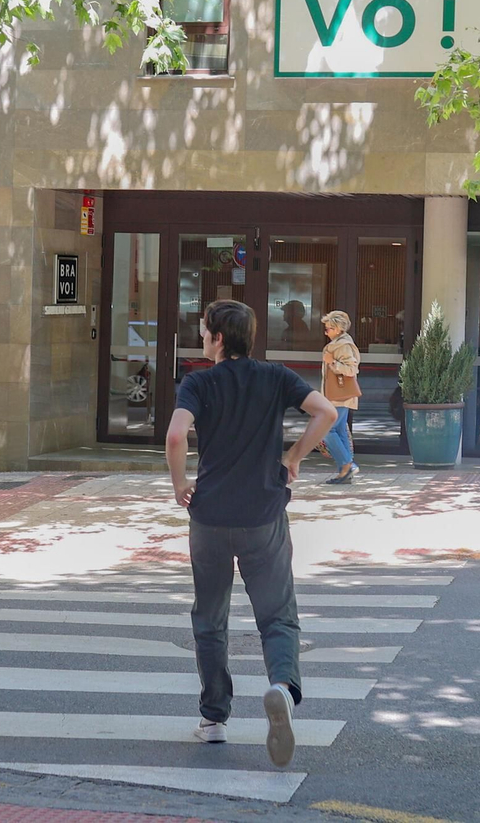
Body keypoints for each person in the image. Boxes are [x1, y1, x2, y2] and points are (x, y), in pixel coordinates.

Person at [165, 298, 337, 768]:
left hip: (210, 519)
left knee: (210, 618)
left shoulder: (198, 382)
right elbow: (326, 413)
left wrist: (181, 484)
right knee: (278, 615)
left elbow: (177, 436)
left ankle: (214, 718)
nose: (203, 337)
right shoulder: (275, 376)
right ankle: (281, 687)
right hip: (264, 516)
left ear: (218, 338)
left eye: (205, 331)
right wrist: (294, 456)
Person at [319, 310, 362, 484]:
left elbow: (352, 369)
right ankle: (345, 472)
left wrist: (332, 362)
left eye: (328, 328)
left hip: (339, 397)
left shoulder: (342, 345)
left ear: (337, 329)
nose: (326, 332)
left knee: (327, 430)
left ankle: (347, 465)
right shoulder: (339, 343)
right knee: (339, 430)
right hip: (337, 396)